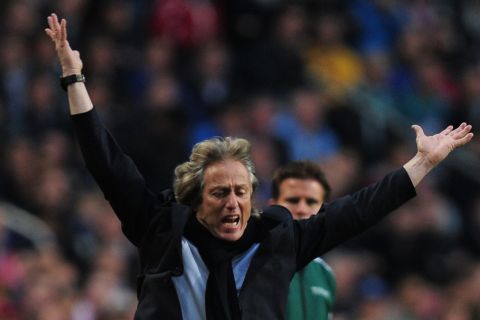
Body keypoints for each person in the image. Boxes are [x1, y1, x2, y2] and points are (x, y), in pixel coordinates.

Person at [45, 13, 474, 320]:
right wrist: (73, 77)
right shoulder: (159, 227)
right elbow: (108, 164)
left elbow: (359, 210)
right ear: (195, 197)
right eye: (219, 192)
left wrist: (421, 163)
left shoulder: (278, 237)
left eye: (241, 191)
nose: (233, 202)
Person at [270, 161, 335, 320]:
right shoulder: (252, 264)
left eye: (311, 202)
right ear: (272, 207)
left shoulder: (325, 274)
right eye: (293, 200)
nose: (302, 209)